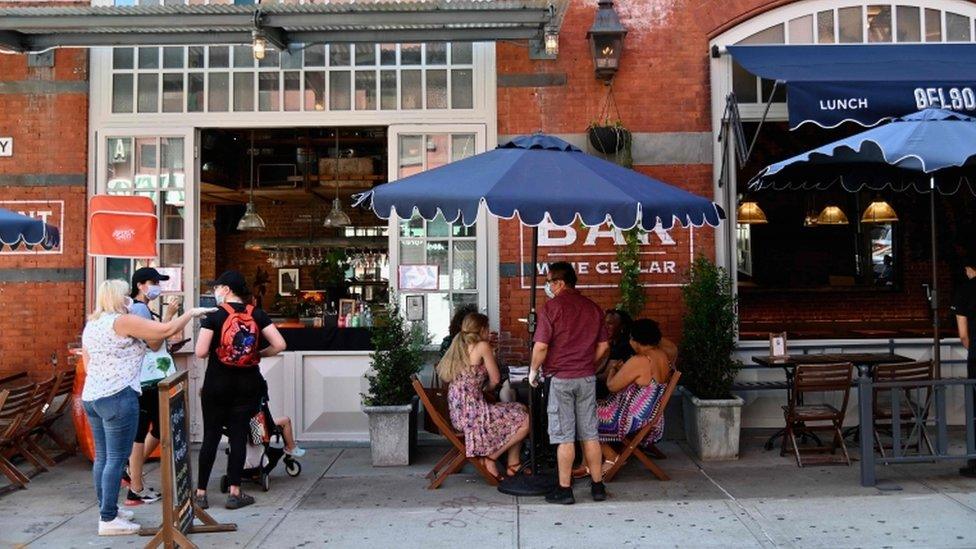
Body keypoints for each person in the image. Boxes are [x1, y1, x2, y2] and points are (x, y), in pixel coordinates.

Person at [82, 279, 212, 536]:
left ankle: (107, 509)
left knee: (104, 458)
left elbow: (89, 363)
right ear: (117, 298)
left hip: (93, 397)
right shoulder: (121, 321)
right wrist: (190, 313)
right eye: (125, 295)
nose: (129, 299)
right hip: (118, 397)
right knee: (117, 460)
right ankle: (108, 519)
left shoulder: (92, 325)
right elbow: (164, 332)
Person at [194, 271, 287, 510]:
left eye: (218, 287)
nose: (215, 291)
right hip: (247, 384)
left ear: (226, 289)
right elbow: (280, 344)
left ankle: (201, 493)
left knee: (211, 438)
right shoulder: (256, 313)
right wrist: (257, 354)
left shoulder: (214, 316)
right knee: (238, 438)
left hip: (217, 383)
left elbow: (201, 352)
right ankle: (235, 492)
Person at [529, 262, 610, 505]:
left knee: (565, 437)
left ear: (560, 283)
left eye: (550, 281)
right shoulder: (593, 308)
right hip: (586, 378)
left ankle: (565, 490)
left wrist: (533, 370)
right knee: (590, 434)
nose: (548, 286)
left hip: (561, 379)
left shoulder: (551, 308)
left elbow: (541, 346)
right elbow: (604, 346)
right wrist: (588, 363)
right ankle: (598, 487)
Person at [437, 313, 529, 479]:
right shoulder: (482, 346)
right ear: (482, 329)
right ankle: (490, 458)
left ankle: (513, 464)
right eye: (488, 327)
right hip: (474, 415)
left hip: (460, 414)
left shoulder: (458, 345)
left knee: (520, 409)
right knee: (525, 419)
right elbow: (495, 380)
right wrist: (491, 353)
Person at [123, 267, 179, 506]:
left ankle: (132, 474)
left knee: (157, 428)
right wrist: (170, 317)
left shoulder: (142, 309)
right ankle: (135, 487)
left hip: (148, 378)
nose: (157, 286)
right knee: (146, 430)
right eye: (153, 282)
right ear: (139, 285)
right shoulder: (138, 309)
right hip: (146, 381)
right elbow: (154, 343)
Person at [596, 319, 674, 473]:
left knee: (580, 415)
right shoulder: (662, 355)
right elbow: (673, 348)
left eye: (631, 338)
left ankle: (611, 457)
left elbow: (611, 386)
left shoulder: (640, 360)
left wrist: (613, 369)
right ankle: (590, 461)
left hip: (631, 419)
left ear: (636, 340)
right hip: (651, 417)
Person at [954, 258, 976, 476]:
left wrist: (973, 348)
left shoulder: (965, 290)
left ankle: (975, 462)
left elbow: (963, 334)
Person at [596, 309, 634, 399]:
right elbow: (601, 366)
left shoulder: (623, 346)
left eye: (610, 324)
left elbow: (606, 375)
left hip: (613, 395)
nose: (605, 327)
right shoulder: (614, 343)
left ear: (622, 327)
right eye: (604, 323)